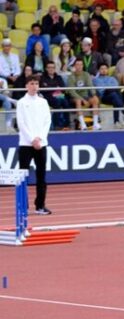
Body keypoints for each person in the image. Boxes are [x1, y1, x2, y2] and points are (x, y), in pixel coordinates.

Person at [17, 75, 52, 215]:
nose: (34, 86)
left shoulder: (43, 102)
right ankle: (22, 206)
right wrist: (32, 139)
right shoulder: (21, 102)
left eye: (36, 83)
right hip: (26, 144)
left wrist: (40, 138)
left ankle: (40, 205)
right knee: (23, 176)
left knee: (41, 176)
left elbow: (47, 122)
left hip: (41, 144)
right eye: (31, 83)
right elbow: (21, 123)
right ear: (26, 86)